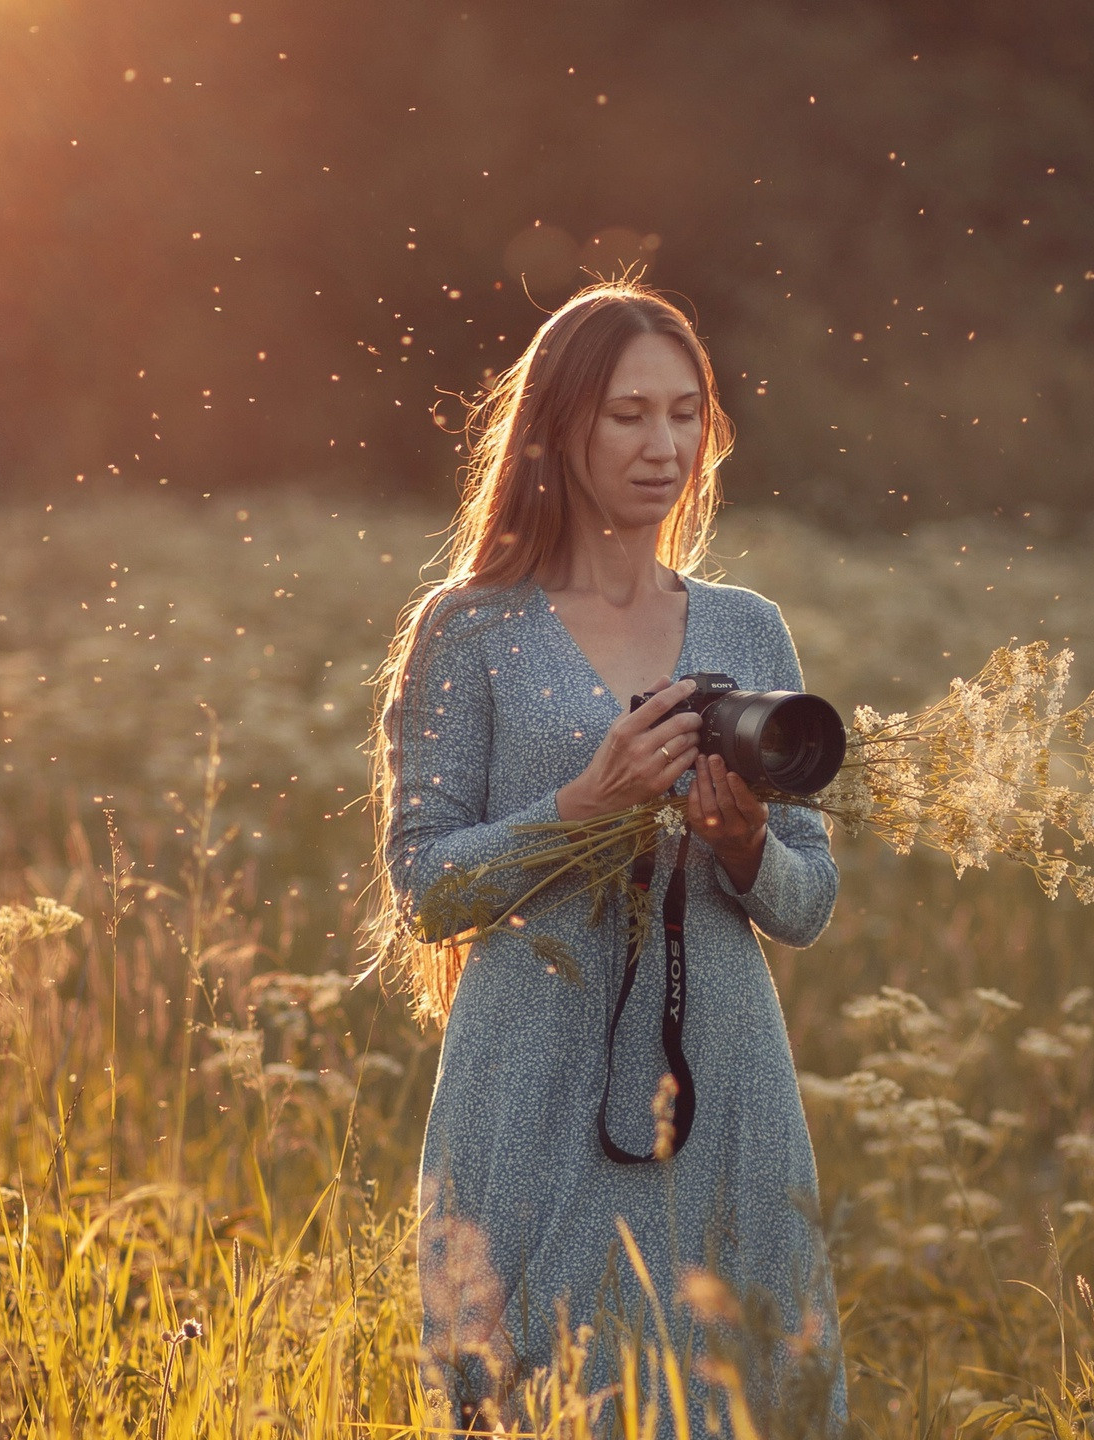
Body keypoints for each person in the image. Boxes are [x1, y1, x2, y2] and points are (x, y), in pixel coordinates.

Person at [366, 277, 846, 1433]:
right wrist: (585, 806)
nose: (663, 444)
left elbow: (809, 898)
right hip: (529, 1075)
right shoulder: (469, 626)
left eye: (685, 414)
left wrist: (740, 847)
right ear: (557, 426)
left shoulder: (748, 626)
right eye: (629, 414)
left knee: (728, 1392)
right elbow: (427, 888)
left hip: (721, 1079)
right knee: (531, 1395)